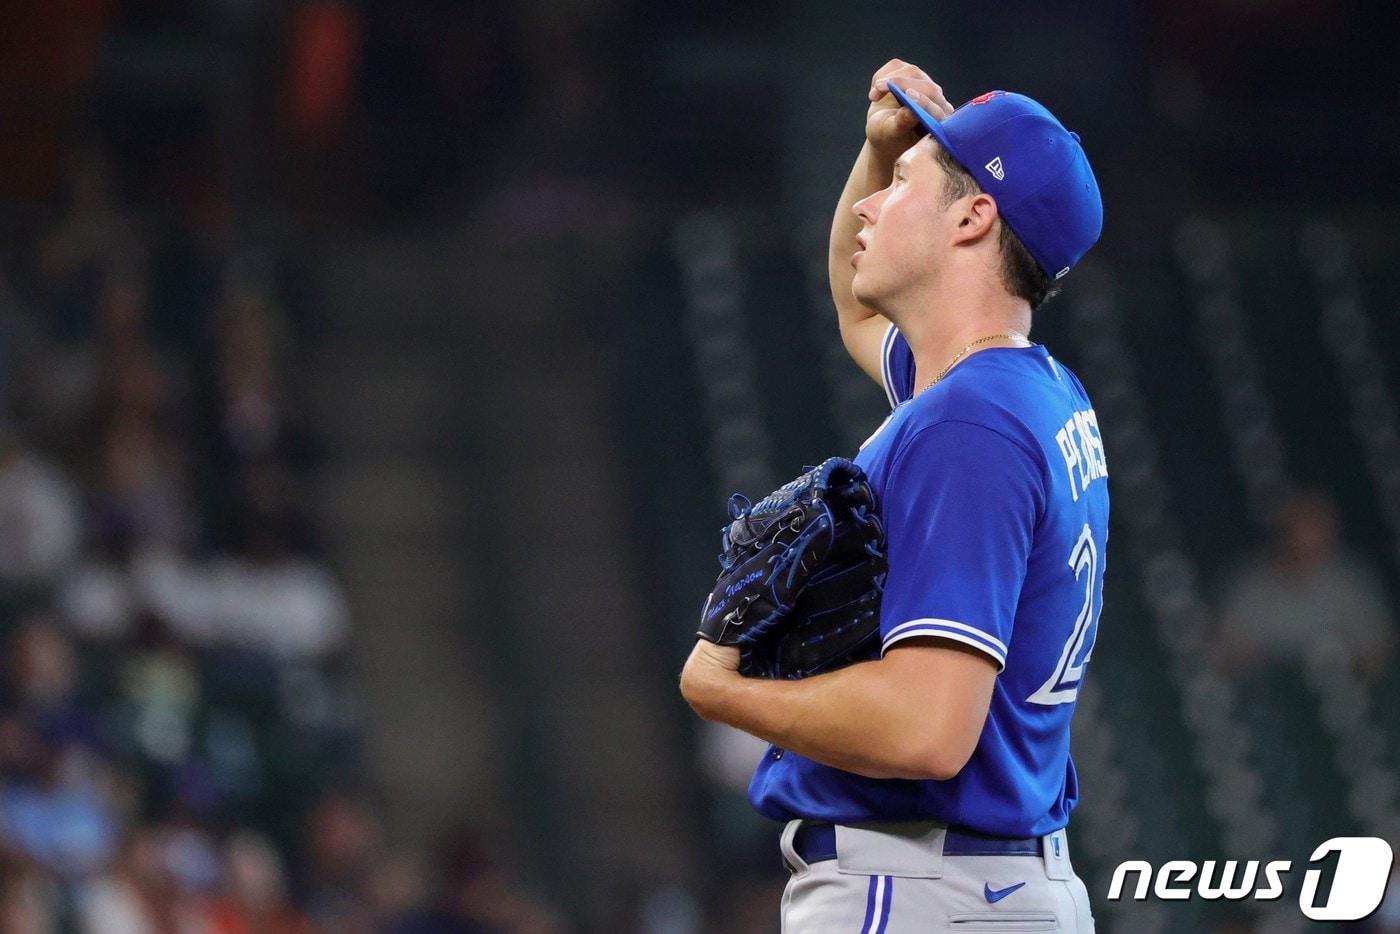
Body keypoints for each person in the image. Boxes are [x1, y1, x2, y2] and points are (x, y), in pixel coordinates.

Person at [680, 59, 1106, 932]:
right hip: (978, 884)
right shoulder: (1024, 387)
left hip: (920, 888)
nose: (869, 205)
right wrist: (880, 152)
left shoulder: (969, 426)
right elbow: (856, 307)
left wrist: (722, 693)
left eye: (904, 183)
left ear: (973, 215)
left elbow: (926, 731)